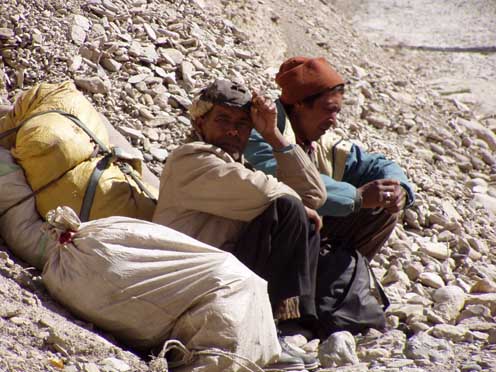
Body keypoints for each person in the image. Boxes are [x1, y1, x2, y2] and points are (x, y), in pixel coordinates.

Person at [153, 79, 326, 371]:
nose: (233, 130)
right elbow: (271, 194)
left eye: (243, 124)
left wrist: (272, 135)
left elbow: (315, 195)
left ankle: (281, 332)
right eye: (222, 120)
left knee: (294, 210)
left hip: (222, 284)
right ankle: (269, 335)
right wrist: (300, 206)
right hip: (189, 286)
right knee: (288, 209)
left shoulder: (237, 166)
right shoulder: (191, 160)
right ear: (199, 122)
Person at [245, 56, 415, 261]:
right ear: (299, 104)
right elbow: (284, 178)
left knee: (382, 206)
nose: (333, 122)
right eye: (328, 110)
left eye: (337, 112)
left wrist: (400, 191)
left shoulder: (321, 143)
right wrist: (356, 197)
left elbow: (378, 165)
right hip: (260, 240)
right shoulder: (262, 131)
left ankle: (338, 283)